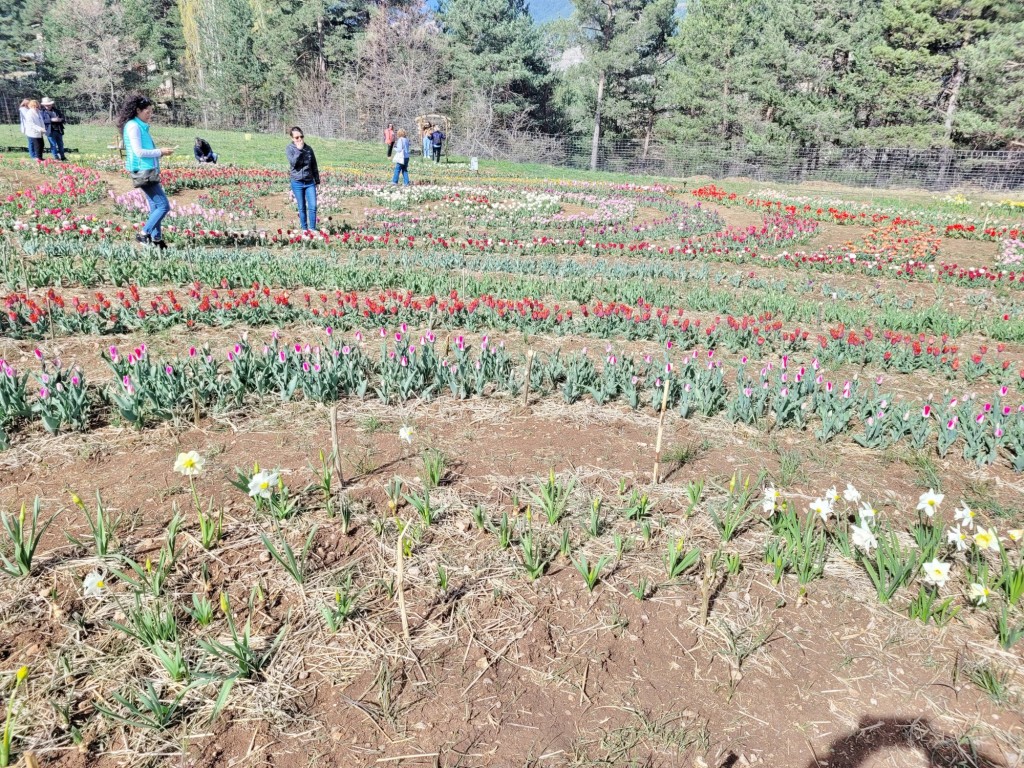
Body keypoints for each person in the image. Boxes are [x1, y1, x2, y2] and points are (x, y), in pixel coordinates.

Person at [116, 94, 174, 249]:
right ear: (137, 111)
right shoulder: (134, 126)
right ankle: (143, 234)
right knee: (163, 206)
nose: (150, 115)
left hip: (148, 170)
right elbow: (139, 152)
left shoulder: (138, 125)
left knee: (155, 206)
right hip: (143, 172)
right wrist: (160, 151)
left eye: (151, 111)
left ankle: (157, 240)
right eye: (147, 112)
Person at [286, 126, 320, 231]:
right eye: (296, 137)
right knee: (302, 207)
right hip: (297, 182)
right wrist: (299, 150)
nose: (300, 139)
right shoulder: (289, 149)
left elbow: (314, 165)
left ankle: (313, 229)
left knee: (313, 206)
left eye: (301, 136)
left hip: (309, 182)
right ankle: (304, 229)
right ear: (292, 138)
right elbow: (293, 163)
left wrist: (317, 180)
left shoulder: (309, 149)